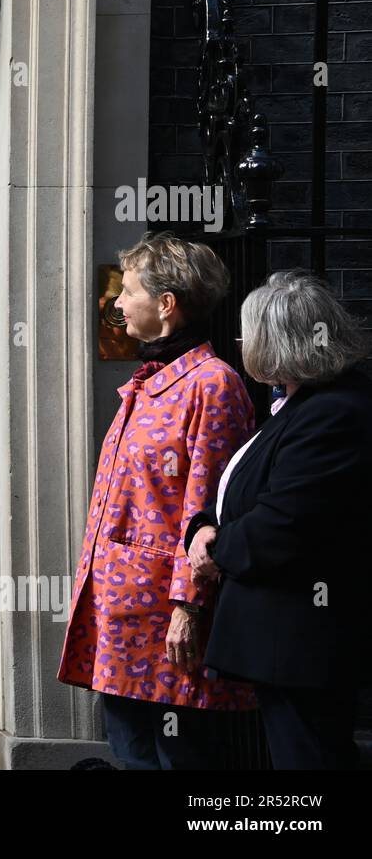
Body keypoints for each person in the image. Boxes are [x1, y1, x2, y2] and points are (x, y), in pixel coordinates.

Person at [58, 232, 255, 769]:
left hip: (165, 624)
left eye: (128, 291)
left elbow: (209, 511)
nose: (117, 303)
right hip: (123, 614)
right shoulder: (149, 381)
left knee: (176, 758)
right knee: (132, 754)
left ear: (166, 305)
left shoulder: (212, 385)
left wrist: (188, 610)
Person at [186, 269, 372, 769]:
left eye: (250, 334)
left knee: (310, 759)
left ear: (278, 343)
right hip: (284, 636)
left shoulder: (334, 411)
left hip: (303, 637)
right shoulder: (300, 402)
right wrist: (203, 523)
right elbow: (245, 485)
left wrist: (214, 550)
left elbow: (285, 521)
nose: (242, 343)